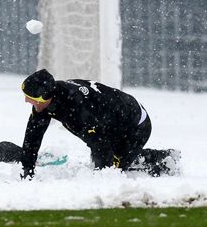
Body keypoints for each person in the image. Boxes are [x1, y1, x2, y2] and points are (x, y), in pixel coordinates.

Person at [19, 69, 178, 180]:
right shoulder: (45, 102)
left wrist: (102, 178)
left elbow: (100, 145)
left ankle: (165, 162)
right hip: (110, 121)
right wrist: (27, 168)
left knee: (113, 171)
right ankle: (156, 158)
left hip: (135, 124)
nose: (27, 101)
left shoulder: (79, 108)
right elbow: (33, 136)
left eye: (31, 97)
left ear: (45, 95)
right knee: (112, 158)